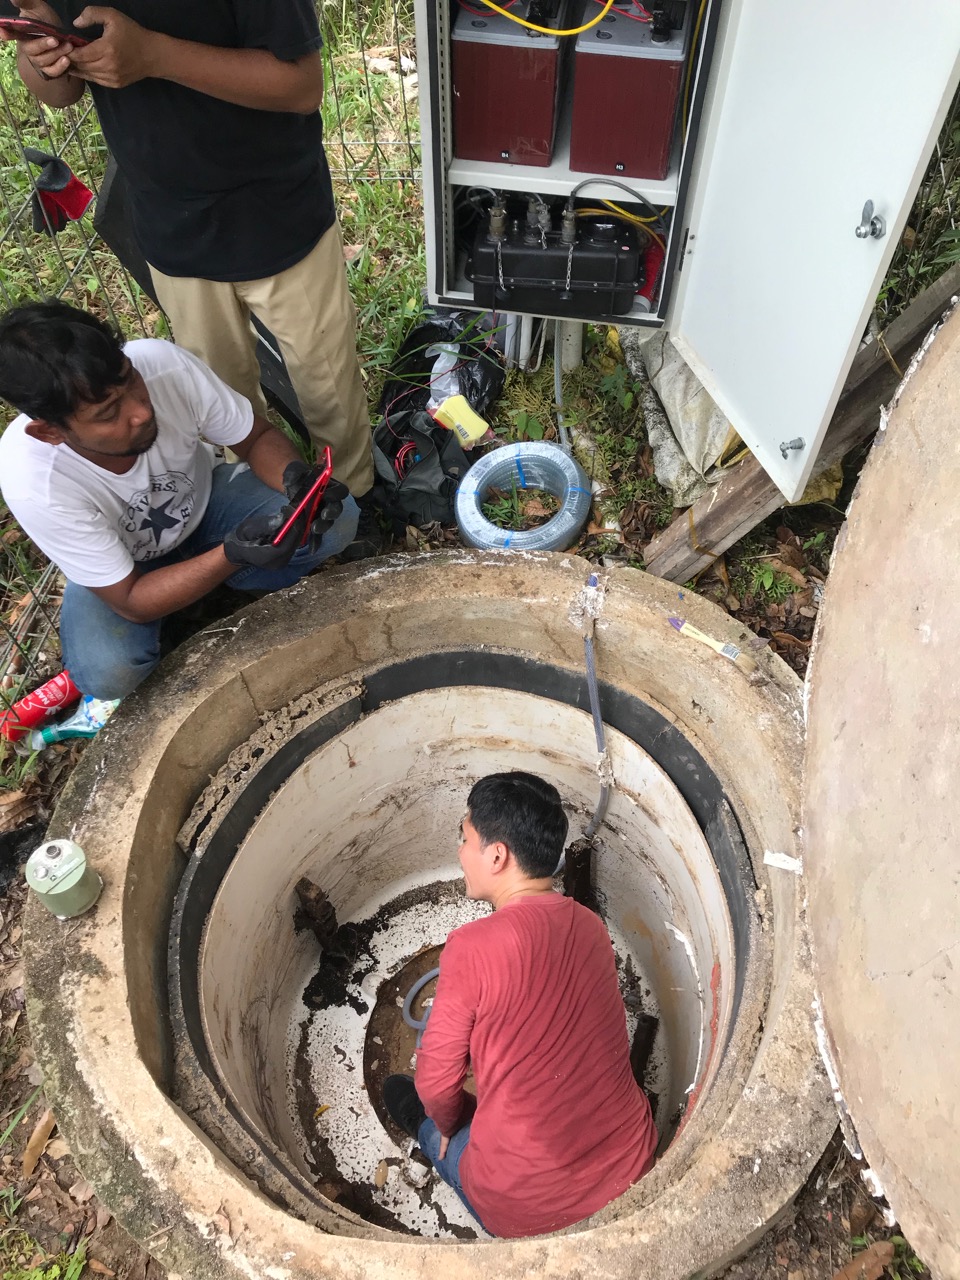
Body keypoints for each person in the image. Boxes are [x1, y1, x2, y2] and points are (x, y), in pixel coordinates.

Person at [1, 0, 376, 516]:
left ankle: (354, 497)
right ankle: (266, 510)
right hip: (170, 221)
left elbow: (301, 86)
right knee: (220, 389)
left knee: (327, 380)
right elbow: (59, 91)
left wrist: (154, 55)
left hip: (280, 212)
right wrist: (41, 55)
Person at [0, 301, 358, 699]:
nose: (140, 410)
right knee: (107, 671)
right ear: (50, 432)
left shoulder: (161, 363)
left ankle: (227, 580)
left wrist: (295, 484)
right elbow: (132, 599)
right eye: (108, 413)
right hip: (126, 570)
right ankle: (216, 579)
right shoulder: (34, 480)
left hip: (206, 506)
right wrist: (232, 554)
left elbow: (255, 438)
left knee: (336, 521)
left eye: (129, 379)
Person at [382, 772, 658, 1238]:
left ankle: (427, 1140)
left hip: (527, 1206)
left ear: (496, 855)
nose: (460, 852)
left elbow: (436, 1085)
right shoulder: (590, 926)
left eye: (464, 838)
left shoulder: (470, 946)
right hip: (633, 1165)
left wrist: (447, 1122)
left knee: (403, 1095)